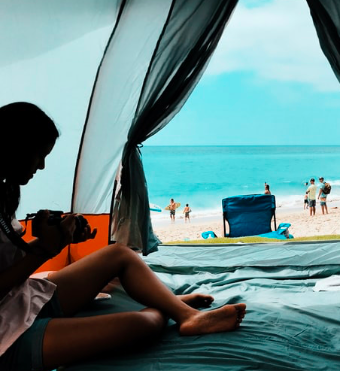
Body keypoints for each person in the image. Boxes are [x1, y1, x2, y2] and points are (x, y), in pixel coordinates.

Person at [0, 102, 246, 370]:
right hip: (7, 338)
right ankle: (168, 306)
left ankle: (182, 313)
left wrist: (59, 239)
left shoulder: (4, 193)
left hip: (19, 300)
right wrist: (45, 250)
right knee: (143, 324)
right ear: (15, 148)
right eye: (39, 154)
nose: (43, 166)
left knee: (118, 254)